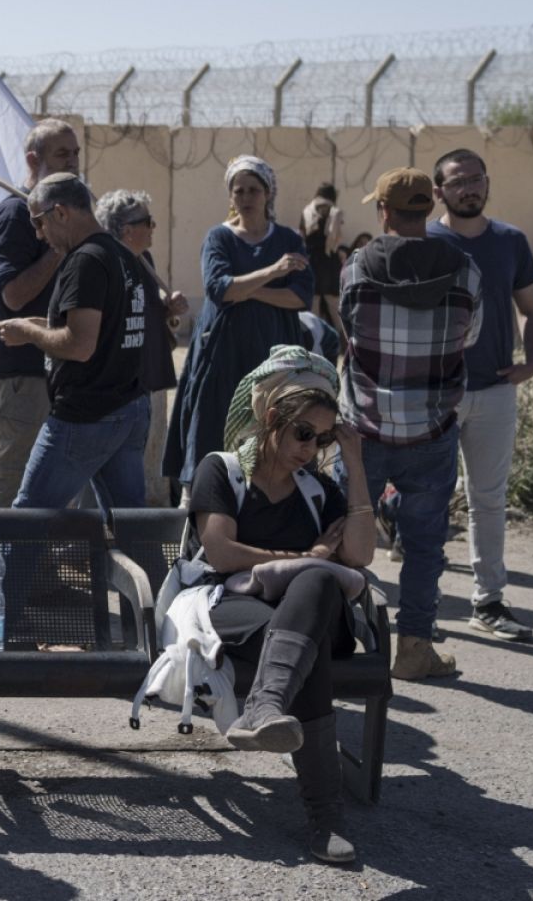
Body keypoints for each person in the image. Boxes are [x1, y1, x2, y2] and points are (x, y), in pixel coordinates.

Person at [187, 345, 374, 864]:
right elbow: (221, 552)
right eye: (302, 433)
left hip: (303, 615)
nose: (311, 448)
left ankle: (265, 707)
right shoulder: (221, 471)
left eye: (323, 438)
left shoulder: (317, 489)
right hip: (233, 608)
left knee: (316, 584)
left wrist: (354, 464)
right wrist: (304, 555)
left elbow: (358, 554)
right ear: (271, 417)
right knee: (308, 611)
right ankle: (325, 818)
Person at [338, 167, 480, 680]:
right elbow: (469, 337)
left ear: (383, 212)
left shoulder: (356, 268)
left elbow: (349, 331)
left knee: (340, 539)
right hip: (432, 431)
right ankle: (414, 648)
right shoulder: (465, 270)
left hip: (364, 433)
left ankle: (330, 639)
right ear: (430, 207)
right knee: (423, 547)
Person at [429, 149, 533, 642]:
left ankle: (489, 601)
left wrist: (532, 362)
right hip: (437, 392)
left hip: (496, 388)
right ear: (439, 192)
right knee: (428, 498)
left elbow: (532, 310)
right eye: (459, 182)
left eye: (476, 179)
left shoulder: (510, 241)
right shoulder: (426, 241)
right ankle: (424, 604)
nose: (470, 188)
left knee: (488, 500)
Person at [0, 173, 153, 511]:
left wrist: (27, 333)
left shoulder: (85, 260)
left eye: (39, 223)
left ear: (61, 213)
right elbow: (101, 329)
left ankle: (5, 567)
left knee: (28, 519)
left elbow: (79, 345)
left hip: (87, 413)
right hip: (126, 406)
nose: (40, 235)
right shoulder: (122, 254)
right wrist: (34, 324)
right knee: (129, 524)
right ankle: (143, 568)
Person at [164, 155, 314, 491]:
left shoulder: (288, 239)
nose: (245, 198)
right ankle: (201, 502)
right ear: (230, 196)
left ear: (267, 194)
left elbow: (300, 296)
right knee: (213, 427)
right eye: (238, 191)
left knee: (272, 429)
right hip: (223, 353)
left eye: (253, 190)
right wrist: (274, 273)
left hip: (274, 354)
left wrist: (246, 289)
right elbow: (220, 290)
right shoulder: (219, 238)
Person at [0, 119, 80, 508]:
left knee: (53, 475)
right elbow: (13, 297)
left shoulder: (67, 216)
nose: (72, 162)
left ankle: (37, 561)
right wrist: (56, 249)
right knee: (15, 472)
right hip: (24, 370)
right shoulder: (15, 216)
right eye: (62, 154)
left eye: (75, 153)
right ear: (33, 160)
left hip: (61, 366)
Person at [96, 188, 189, 502]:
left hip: (143, 378)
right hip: (116, 383)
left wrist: (167, 309)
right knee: (101, 468)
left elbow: (144, 309)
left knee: (126, 466)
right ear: (126, 229)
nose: (153, 228)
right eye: (147, 222)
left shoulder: (143, 259)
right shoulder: (104, 263)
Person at [301, 183, 346, 341]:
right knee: (335, 304)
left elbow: (302, 236)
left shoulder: (307, 211)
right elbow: (337, 238)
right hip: (329, 261)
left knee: (314, 304)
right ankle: (345, 341)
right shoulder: (335, 211)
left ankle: (314, 340)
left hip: (311, 260)